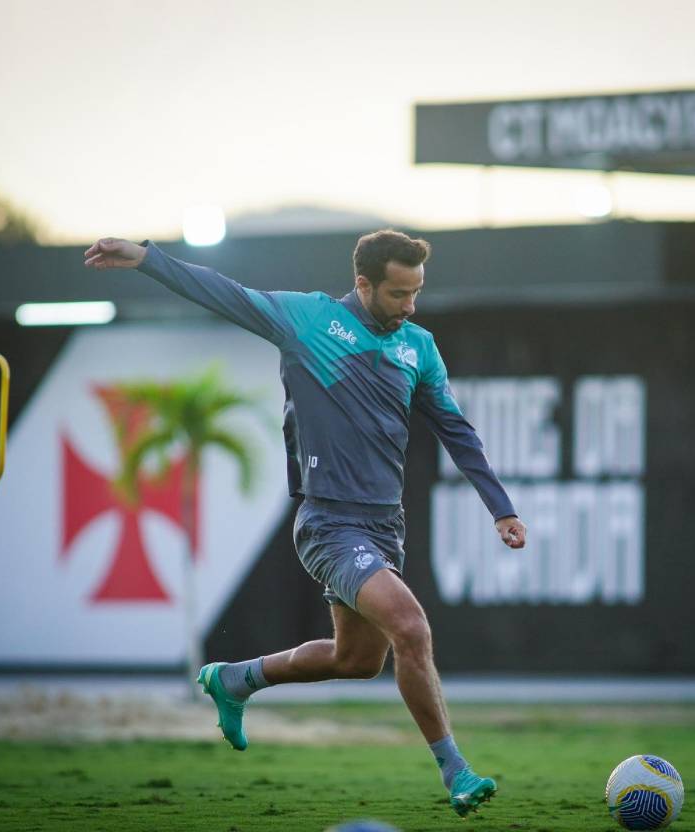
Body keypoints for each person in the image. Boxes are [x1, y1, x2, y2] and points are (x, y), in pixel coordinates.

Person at [83, 231, 526, 816]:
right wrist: (147, 259)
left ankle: (236, 678)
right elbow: (224, 293)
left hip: (382, 527)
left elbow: (456, 432)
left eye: (417, 292)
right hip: (328, 524)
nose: (410, 306)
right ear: (363, 284)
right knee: (412, 630)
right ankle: (457, 773)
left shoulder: (419, 346)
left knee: (357, 662)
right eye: (398, 294)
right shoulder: (306, 320)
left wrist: (502, 507)